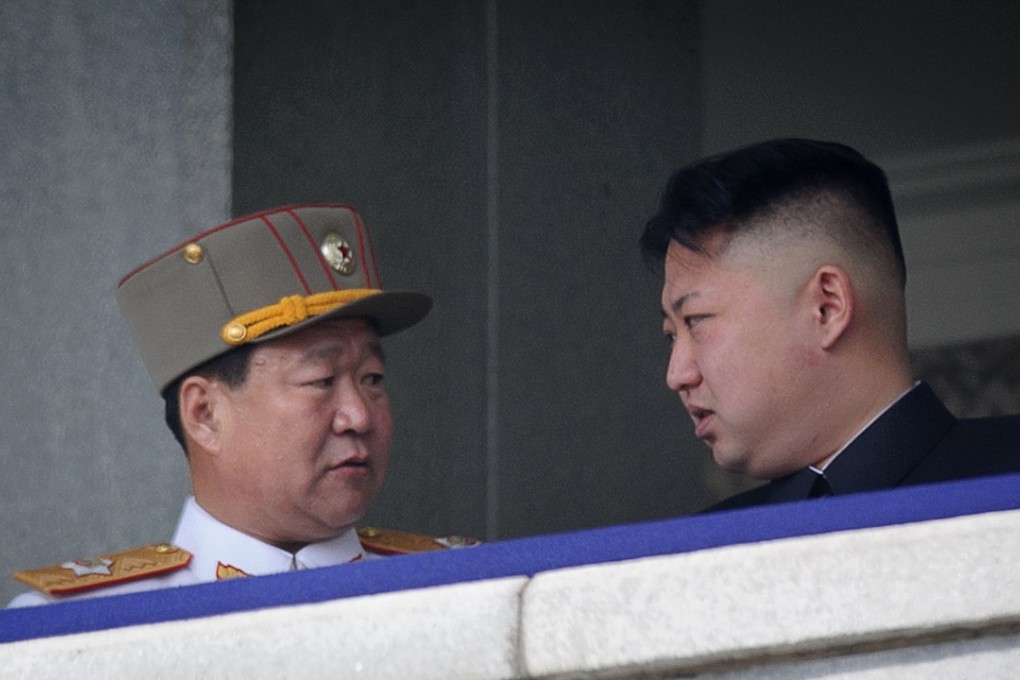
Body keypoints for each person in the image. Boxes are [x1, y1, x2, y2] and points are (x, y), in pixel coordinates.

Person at [11, 204, 474, 607]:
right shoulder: (75, 630)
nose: (359, 416)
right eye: (321, 380)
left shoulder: (470, 590)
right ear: (204, 414)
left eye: (372, 379)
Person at [640, 138, 1020, 512]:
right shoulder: (705, 550)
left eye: (696, 321)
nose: (677, 375)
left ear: (827, 307)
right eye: (672, 335)